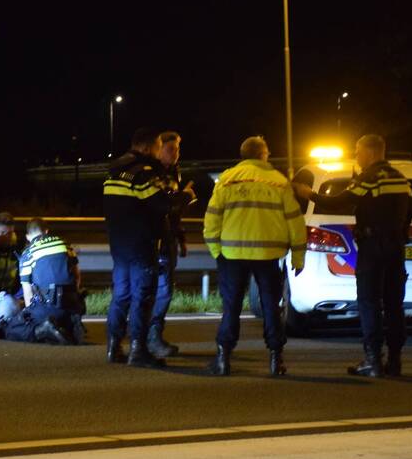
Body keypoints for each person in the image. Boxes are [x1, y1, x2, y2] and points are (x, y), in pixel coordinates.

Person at [292, 134, 412, 377]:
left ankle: (372, 360)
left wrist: (309, 195)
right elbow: (408, 213)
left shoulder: (370, 178)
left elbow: (339, 202)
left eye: (358, 151)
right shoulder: (401, 179)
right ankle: (395, 360)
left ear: (369, 152)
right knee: (393, 304)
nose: (356, 155)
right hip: (396, 247)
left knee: (369, 302)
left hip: (373, 246)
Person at [203, 136, 307, 376]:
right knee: (271, 307)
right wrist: (298, 257)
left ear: (243, 155)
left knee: (231, 307)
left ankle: (223, 358)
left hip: (232, 255)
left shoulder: (226, 180)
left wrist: (216, 250)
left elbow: (212, 219)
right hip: (268, 255)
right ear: (264, 154)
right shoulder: (279, 182)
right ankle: (275, 359)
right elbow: (295, 222)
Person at [103, 127, 195, 367]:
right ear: (145, 147)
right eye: (156, 147)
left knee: (120, 296)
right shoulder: (143, 174)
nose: (157, 152)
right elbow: (162, 205)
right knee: (143, 297)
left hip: (119, 246)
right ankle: (138, 350)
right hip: (141, 245)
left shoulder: (114, 173)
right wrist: (185, 196)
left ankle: (113, 348)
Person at [147, 130, 193, 358]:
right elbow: (163, 207)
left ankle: (150, 335)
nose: (176, 154)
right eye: (171, 149)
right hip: (154, 240)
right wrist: (184, 196)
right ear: (159, 149)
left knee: (164, 290)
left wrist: (181, 237)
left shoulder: (174, 173)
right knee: (160, 290)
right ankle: (150, 337)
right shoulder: (152, 174)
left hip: (168, 239)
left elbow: (175, 214)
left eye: (178, 149)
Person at [3, 218, 85, 344]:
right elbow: (77, 276)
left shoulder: (28, 253)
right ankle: (70, 323)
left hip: (49, 306)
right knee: (62, 317)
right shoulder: (65, 245)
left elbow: (27, 291)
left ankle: (43, 329)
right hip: (73, 305)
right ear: (46, 231)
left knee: (11, 329)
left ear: (27, 237)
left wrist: (30, 315)